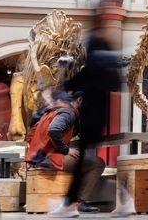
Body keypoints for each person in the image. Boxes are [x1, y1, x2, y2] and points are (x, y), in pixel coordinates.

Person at [52, 28, 126, 217]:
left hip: (92, 117)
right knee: (86, 161)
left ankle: (71, 204)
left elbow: (80, 80)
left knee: (84, 161)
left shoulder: (95, 61)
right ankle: (73, 203)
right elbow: (115, 84)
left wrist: (63, 87)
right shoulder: (108, 63)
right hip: (100, 117)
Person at [24, 91, 107, 217]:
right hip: (50, 157)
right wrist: (65, 150)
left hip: (40, 157)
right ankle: (79, 201)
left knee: (83, 158)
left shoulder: (53, 109)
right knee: (97, 163)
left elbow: (31, 130)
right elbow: (54, 129)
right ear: (79, 100)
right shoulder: (69, 112)